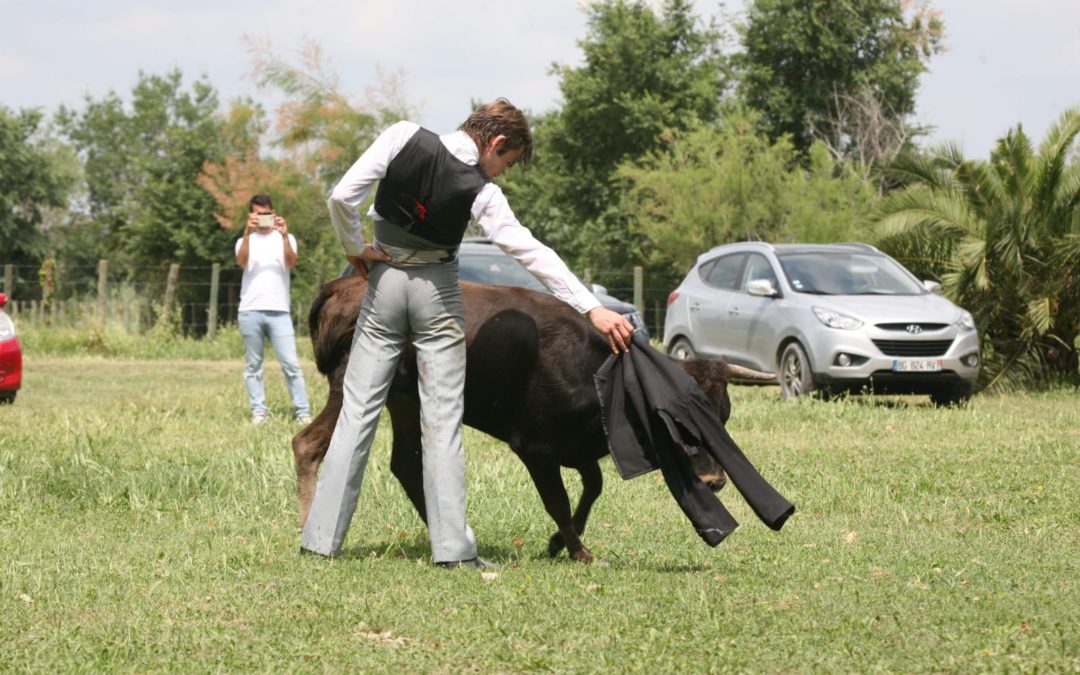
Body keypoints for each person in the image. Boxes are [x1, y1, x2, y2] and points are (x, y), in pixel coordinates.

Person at [300, 99, 634, 567]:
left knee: (357, 413)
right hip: (437, 294)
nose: (498, 173)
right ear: (495, 142)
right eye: (506, 162)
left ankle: (319, 541)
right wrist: (592, 308)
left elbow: (341, 196)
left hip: (383, 284)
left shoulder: (401, 135)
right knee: (441, 422)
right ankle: (454, 553)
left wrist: (355, 249)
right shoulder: (482, 191)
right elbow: (530, 251)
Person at [235, 193, 312, 426]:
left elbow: (291, 263)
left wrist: (285, 235)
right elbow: (241, 262)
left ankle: (303, 411)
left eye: (266, 213)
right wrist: (247, 233)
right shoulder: (243, 240)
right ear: (251, 215)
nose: (263, 218)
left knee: (291, 364)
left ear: (273, 212)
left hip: (279, 310)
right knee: (253, 366)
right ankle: (259, 411)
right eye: (258, 214)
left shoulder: (285, 238)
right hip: (250, 309)